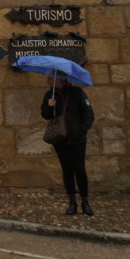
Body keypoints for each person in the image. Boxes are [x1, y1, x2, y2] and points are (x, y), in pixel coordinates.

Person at [41, 77, 95, 215]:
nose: (48, 81)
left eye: (50, 79)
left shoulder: (77, 92)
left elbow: (88, 113)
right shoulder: (49, 95)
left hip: (77, 140)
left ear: (59, 80)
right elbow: (45, 115)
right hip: (60, 140)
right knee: (67, 170)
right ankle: (72, 202)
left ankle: (85, 201)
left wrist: (81, 130)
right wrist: (49, 105)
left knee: (80, 170)